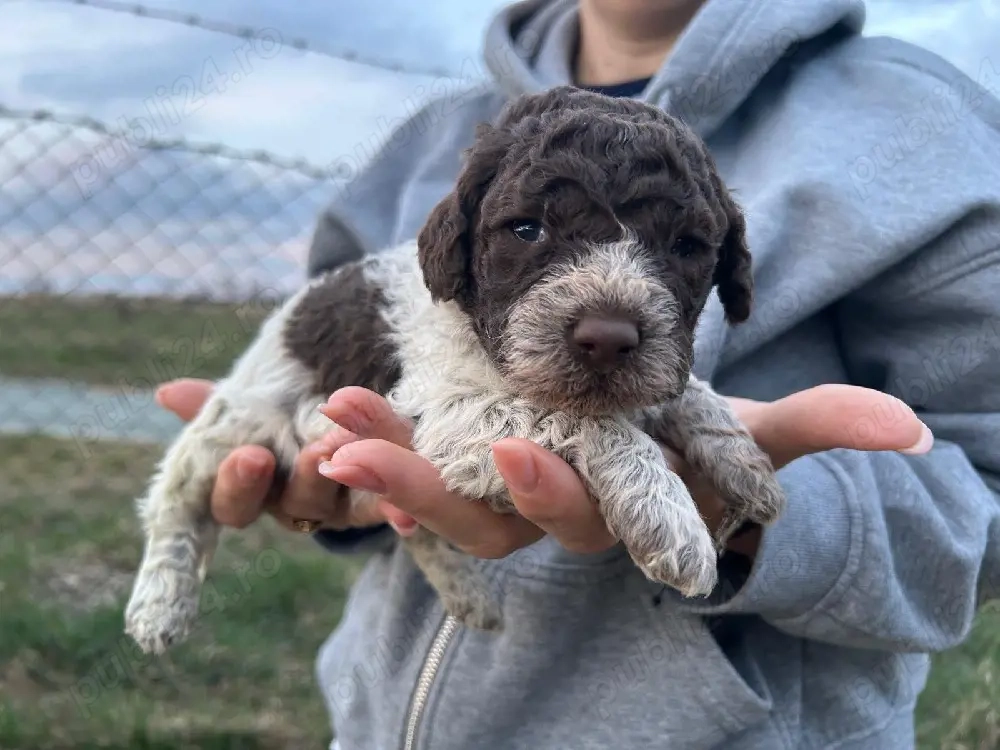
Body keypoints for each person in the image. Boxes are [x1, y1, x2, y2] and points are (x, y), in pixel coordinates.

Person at [156, 0, 1000, 747]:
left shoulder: (919, 124)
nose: (605, 325)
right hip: (382, 722)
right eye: (526, 231)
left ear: (725, 269)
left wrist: (757, 527)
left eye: (680, 245)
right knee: (210, 458)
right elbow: (383, 421)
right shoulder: (428, 141)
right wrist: (351, 499)